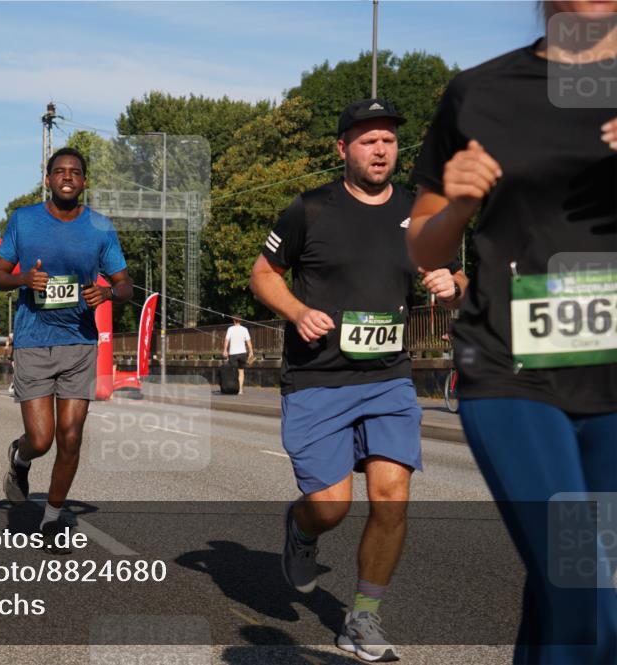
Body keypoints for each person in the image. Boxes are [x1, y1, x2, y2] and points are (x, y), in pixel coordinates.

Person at [406, 4, 617, 661]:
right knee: (584, 595)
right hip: (509, 369)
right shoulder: (481, 92)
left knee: (561, 597)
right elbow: (422, 245)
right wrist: (461, 203)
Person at [249, 99, 466, 662]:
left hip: (389, 380)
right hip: (318, 380)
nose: (380, 149)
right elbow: (263, 274)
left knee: (392, 498)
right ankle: (301, 529)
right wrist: (297, 312)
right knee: (330, 506)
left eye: (389, 140)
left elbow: (455, 274)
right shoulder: (310, 210)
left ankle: (363, 617)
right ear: (343, 148)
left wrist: (452, 284)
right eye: (368, 140)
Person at [0, 147, 132, 552]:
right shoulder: (24, 220)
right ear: (48, 180)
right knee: (42, 438)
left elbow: (126, 285)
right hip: (35, 341)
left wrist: (107, 292)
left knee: (71, 437)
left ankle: (52, 518)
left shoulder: (101, 228)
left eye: (75, 172)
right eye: (59, 172)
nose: (67, 177)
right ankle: (20, 458)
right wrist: (23, 280)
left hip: (80, 342)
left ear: (84, 181)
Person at [222, 315, 255, 395]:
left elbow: (227, 340)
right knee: (241, 371)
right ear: (241, 321)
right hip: (242, 353)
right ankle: (240, 390)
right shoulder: (245, 329)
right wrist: (251, 351)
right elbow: (248, 342)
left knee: (233, 371)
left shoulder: (230, 329)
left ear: (234, 320)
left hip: (233, 353)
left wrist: (225, 350)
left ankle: (233, 388)